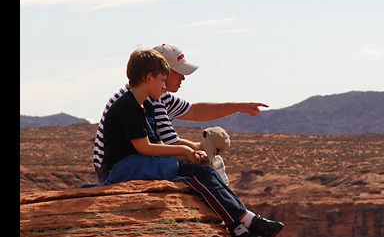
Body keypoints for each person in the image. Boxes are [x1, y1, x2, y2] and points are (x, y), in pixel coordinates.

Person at [94, 49, 283, 237]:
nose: (176, 81)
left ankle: (240, 228)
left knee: (203, 173)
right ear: (151, 76)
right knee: (196, 175)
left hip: (136, 162)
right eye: (164, 78)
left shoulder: (145, 101)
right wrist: (189, 152)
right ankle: (246, 222)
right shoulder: (137, 103)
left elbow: (194, 111)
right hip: (123, 168)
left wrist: (237, 107)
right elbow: (149, 147)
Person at [92, 43, 267, 183]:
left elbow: (195, 111)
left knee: (200, 164)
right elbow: (168, 145)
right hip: (116, 170)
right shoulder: (148, 99)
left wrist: (237, 107)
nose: (183, 78)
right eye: (178, 72)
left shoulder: (156, 95)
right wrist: (197, 150)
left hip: (128, 164)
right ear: (159, 71)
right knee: (202, 169)